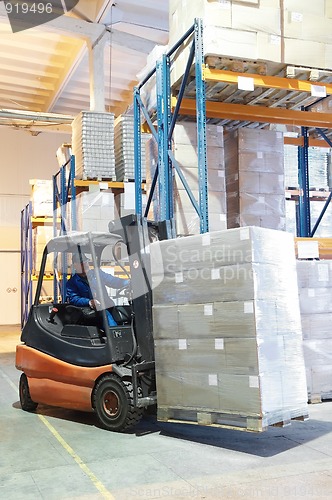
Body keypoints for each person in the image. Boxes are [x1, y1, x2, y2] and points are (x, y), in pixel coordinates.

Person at [66, 252, 130, 327]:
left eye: (86, 262)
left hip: (108, 306)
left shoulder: (97, 274)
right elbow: (74, 298)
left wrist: (128, 283)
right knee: (106, 316)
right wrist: (89, 302)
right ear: (75, 266)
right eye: (81, 263)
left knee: (125, 313)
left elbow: (113, 281)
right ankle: (116, 335)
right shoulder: (72, 283)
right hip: (88, 312)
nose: (85, 265)